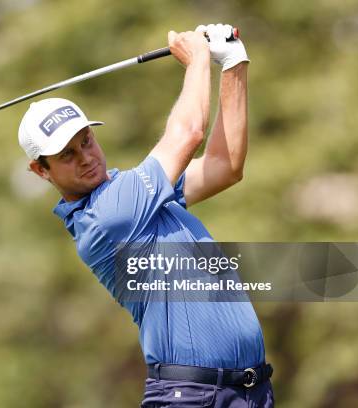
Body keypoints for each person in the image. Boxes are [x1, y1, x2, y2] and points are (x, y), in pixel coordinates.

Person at [18, 23, 274, 407]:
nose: (86, 157)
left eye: (86, 140)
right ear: (41, 171)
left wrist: (234, 63)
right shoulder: (108, 216)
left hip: (248, 392)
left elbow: (225, 165)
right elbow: (188, 133)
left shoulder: (136, 193)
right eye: (66, 154)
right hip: (192, 397)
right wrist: (198, 57)